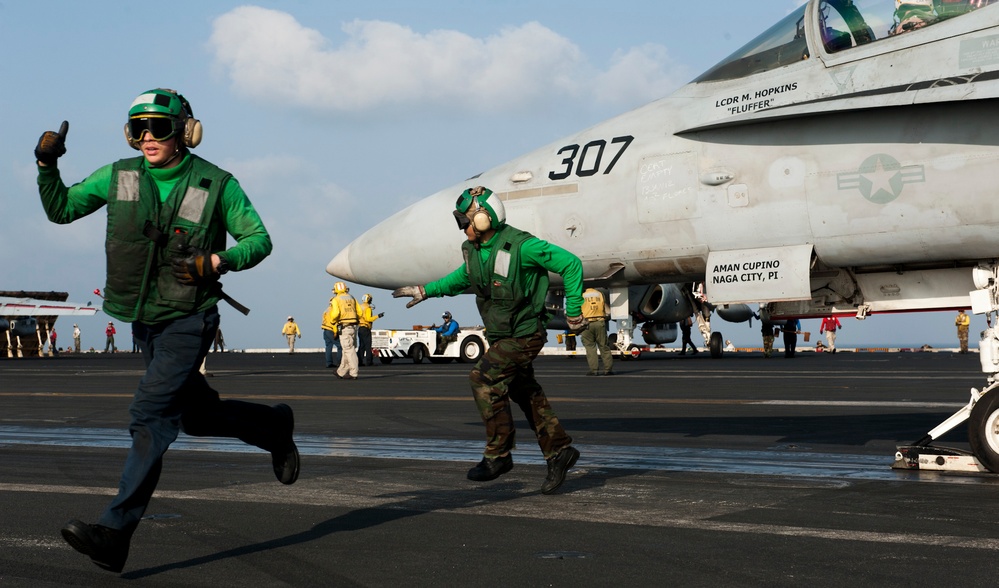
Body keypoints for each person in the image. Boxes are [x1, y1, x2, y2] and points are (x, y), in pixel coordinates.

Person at [36, 88, 298, 574]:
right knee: (195, 416)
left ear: (186, 131)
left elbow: (259, 240)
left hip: (190, 315)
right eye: (139, 128)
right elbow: (62, 210)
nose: (149, 137)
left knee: (151, 416)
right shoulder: (118, 176)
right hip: (144, 319)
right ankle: (272, 427)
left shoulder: (216, 184)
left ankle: (114, 533)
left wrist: (218, 259)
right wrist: (47, 168)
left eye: (159, 127)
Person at [393, 185, 585, 495]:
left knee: (483, 378)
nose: (462, 227)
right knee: (526, 393)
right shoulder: (474, 250)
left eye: (464, 221)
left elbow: (571, 264)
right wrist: (426, 290)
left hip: (524, 334)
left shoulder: (523, 247)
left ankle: (498, 455)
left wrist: (573, 310)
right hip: (502, 335)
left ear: (482, 220)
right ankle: (559, 451)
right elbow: (464, 277)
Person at [580, 287, 613, 376]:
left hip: (587, 323)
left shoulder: (582, 295)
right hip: (600, 322)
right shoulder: (600, 294)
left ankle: (594, 370)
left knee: (590, 347)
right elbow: (604, 306)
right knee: (604, 346)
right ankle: (608, 370)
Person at [330, 281, 360, 379]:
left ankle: (353, 373)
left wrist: (333, 320)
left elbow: (335, 314)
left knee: (348, 350)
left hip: (344, 326)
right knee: (346, 350)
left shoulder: (336, 299)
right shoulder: (352, 298)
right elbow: (359, 312)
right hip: (354, 326)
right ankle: (341, 371)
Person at [357, 293, 384, 366]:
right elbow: (368, 319)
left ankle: (359, 361)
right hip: (366, 328)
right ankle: (369, 362)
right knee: (368, 346)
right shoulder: (368, 308)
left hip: (360, 328)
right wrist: (378, 316)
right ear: (369, 300)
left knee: (361, 346)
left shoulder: (360, 307)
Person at [321, 298, 340, 369]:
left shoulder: (326, 310)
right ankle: (340, 362)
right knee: (340, 346)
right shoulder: (333, 310)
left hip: (325, 330)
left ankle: (329, 363)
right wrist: (335, 332)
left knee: (328, 347)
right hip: (330, 330)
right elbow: (334, 322)